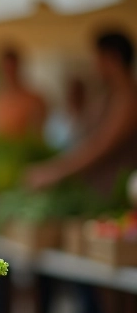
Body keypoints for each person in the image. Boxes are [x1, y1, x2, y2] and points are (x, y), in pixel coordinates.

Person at [26, 31, 137, 195]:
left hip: (118, 194)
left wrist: (56, 171)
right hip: (101, 191)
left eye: (98, 58)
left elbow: (101, 146)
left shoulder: (128, 99)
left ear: (113, 57)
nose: (95, 65)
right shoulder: (109, 96)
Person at [0, 46, 47, 142]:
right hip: (3, 148)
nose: (8, 75)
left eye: (11, 69)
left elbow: (38, 133)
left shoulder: (33, 100)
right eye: (5, 70)